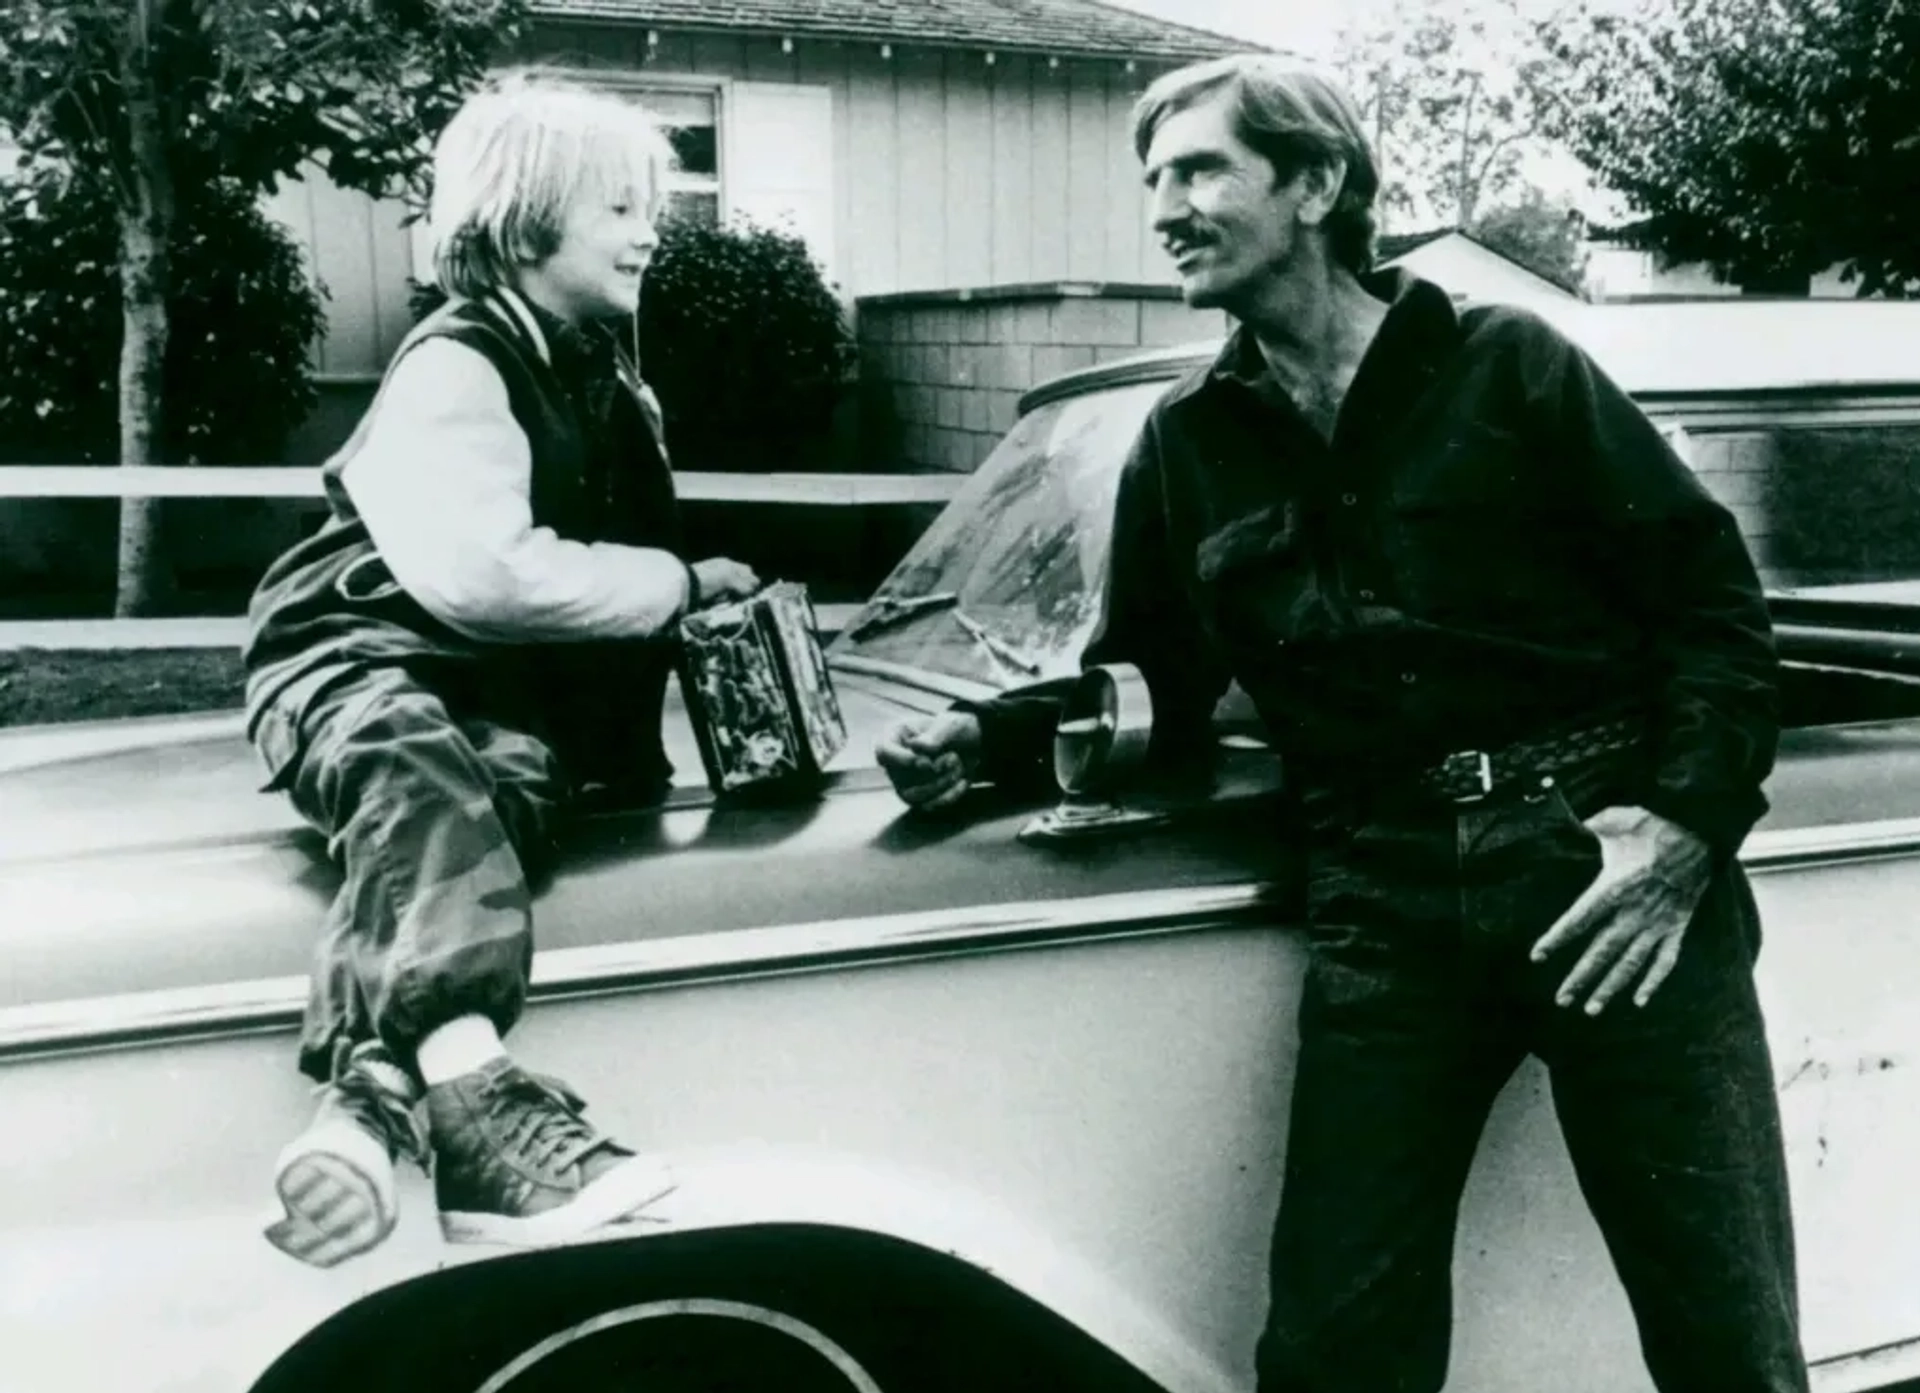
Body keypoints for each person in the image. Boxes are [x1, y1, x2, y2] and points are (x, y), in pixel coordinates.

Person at [878, 54, 1807, 1393]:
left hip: (1600, 863)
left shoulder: (1513, 367)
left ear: (1315, 184)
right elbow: (1148, 681)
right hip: (1383, 888)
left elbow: (1713, 606)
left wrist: (1681, 830)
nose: (1165, 207)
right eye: (1154, 179)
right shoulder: (1187, 441)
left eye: (1198, 169)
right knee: (1334, 1342)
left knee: (1725, 1326)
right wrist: (986, 746)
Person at [243, 70, 760, 1269]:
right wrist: (674, 584)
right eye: (622, 207)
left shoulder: (606, 377)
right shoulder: (460, 361)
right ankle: (478, 1106)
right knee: (419, 772)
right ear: (524, 221)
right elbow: (486, 573)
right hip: (353, 655)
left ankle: (374, 1099)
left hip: (484, 689)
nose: (654, 229)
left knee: (507, 793)